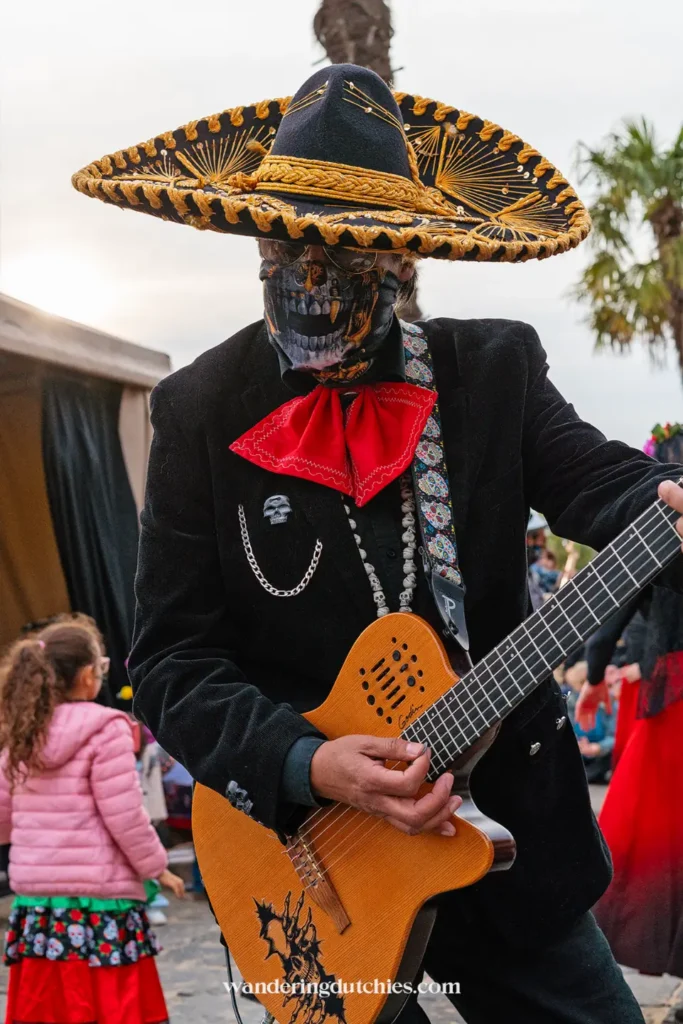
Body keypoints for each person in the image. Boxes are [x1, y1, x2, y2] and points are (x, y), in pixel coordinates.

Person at [72, 63, 683, 1024]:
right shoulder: (198, 408)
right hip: (310, 868)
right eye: (285, 248)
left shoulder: (491, 370)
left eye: (340, 254)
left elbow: (604, 483)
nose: (306, 275)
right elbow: (174, 659)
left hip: (509, 850)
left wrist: (665, 497)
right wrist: (304, 762)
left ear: (399, 256)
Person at [0, 614, 175, 1024]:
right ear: (85, 677)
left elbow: (3, 817)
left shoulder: (21, 734)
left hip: (40, 909)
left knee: (51, 1011)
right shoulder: (107, 729)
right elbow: (126, 817)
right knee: (114, 1010)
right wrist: (157, 868)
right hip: (103, 905)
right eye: (101, 667)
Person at [577, 425, 683, 1017]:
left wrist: (595, 673)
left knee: (659, 845)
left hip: (673, 687)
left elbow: (617, 598)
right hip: (667, 682)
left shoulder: (660, 516)